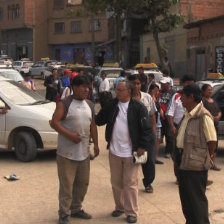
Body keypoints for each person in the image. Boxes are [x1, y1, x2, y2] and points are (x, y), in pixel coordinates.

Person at [95, 80, 153, 223]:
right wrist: (104, 106)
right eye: (116, 90)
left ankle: (131, 212)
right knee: (116, 182)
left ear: (129, 91)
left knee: (130, 182)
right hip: (114, 151)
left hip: (132, 152)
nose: (117, 92)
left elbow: (147, 129)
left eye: (120, 90)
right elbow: (99, 121)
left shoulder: (138, 107)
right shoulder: (113, 105)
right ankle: (119, 207)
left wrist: (142, 147)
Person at [50, 75, 100, 224]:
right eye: (83, 87)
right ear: (75, 87)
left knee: (82, 184)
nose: (86, 90)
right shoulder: (64, 104)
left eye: (88, 87)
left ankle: (76, 208)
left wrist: (96, 145)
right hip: (66, 154)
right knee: (67, 186)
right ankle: (64, 215)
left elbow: (93, 126)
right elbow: (54, 123)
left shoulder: (90, 104)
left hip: (84, 153)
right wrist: (70, 135)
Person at [176, 84, 217, 224]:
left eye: (182, 96)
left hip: (196, 166)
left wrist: (206, 157)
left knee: (197, 202)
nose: (180, 99)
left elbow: (212, 140)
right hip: (183, 163)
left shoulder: (203, 116)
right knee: (187, 202)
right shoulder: (187, 114)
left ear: (191, 97)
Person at [128, 74, 156, 193]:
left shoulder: (147, 98)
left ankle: (148, 182)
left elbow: (152, 115)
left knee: (149, 161)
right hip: (131, 135)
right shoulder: (126, 99)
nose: (136, 86)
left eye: (138, 83)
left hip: (147, 134)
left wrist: (153, 131)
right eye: (133, 83)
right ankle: (130, 184)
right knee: (131, 161)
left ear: (142, 84)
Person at [167, 75, 195, 180]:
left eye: (191, 83)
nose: (189, 85)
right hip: (177, 127)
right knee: (176, 153)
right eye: (187, 83)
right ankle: (179, 176)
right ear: (183, 84)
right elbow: (170, 113)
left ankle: (188, 176)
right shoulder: (177, 96)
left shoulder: (197, 98)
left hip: (192, 129)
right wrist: (172, 127)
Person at [202, 84, 222, 171]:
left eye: (211, 90)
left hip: (215, 126)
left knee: (214, 145)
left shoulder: (213, 100)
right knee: (206, 145)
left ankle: (212, 164)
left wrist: (218, 116)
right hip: (207, 126)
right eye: (208, 90)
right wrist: (211, 117)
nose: (210, 91)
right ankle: (204, 164)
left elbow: (219, 111)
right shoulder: (202, 101)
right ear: (203, 91)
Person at [158, 77, 175, 158]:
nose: (162, 85)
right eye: (161, 83)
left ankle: (168, 151)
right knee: (158, 135)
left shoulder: (173, 93)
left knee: (169, 135)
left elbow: (173, 105)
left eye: (163, 84)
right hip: (159, 117)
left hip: (168, 117)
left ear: (168, 84)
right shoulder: (159, 92)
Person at [149, 83, 164, 165]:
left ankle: (155, 157)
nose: (157, 91)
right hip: (151, 123)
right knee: (151, 140)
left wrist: (161, 110)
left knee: (157, 140)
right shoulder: (149, 98)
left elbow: (158, 107)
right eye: (156, 90)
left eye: (158, 90)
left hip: (158, 122)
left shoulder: (157, 98)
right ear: (151, 90)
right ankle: (150, 157)